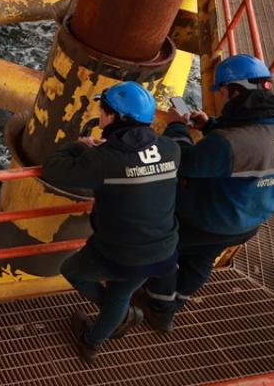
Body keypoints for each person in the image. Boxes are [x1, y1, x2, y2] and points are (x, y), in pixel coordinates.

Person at [141, 54, 274, 333]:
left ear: (235, 91)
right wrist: (210, 126)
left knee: (158, 249)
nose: (220, 98)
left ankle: (160, 309)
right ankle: (177, 302)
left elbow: (184, 162)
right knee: (202, 259)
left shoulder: (229, 143)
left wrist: (176, 125)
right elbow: (256, 137)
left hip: (207, 220)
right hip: (250, 221)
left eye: (221, 92)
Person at [42, 81, 180, 363]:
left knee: (73, 271)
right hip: (163, 249)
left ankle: (118, 317)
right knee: (121, 291)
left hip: (121, 252)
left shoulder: (103, 160)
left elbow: (53, 169)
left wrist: (79, 146)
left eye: (103, 110)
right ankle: (91, 342)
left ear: (114, 117)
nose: (100, 114)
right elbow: (139, 163)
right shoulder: (170, 149)